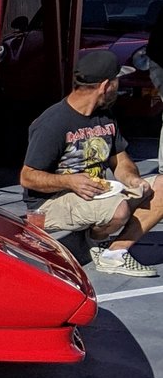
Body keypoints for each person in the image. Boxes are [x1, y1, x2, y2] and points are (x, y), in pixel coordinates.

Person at [20, 48, 163, 277]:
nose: (118, 87)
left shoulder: (105, 115)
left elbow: (120, 158)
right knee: (118, 208)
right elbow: (27, 176)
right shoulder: (53, 122)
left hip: (97, 194)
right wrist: (70, 182)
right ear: (105, 85)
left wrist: (132, 179)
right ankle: (95, 241)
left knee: (161, 187)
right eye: (117, 81)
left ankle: (113, 254)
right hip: (50, 203)